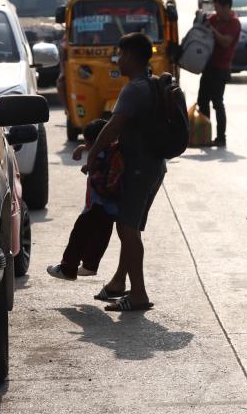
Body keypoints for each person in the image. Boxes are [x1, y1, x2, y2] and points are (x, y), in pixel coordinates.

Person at [85, 33, 166, 312]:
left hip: (139, 169)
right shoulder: (152, 85)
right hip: (153, 166)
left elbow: (112, 127)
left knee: (128, 230)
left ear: (131, 56)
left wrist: (93, 153)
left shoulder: (134, 88)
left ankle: (139, 295)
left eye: (120, 54)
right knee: (128, 227)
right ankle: (119, 283)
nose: (118, 59)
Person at [46, 118, 120, 281]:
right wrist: (82, 148)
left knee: (78, 237)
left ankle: (68, 268)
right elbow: (97, 149)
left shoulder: (101, 155)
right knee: (100, 238)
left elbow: (97, 156)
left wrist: (88, 163)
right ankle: (89, 266)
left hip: (95, 206)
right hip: (109, 208)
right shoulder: (111, 150)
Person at [196, 0, 241, 148]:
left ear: (227, 7)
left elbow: (225, 42)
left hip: (221, 68)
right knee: (202, 101)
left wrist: (212, 29)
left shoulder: (234, 23)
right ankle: (205, 135)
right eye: (214, 8)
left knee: (217, 102)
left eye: (218, 8)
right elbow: (201, 28)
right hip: (208, 66)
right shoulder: (214, 19)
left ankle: (221, 137)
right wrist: (200, 18)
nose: (216, 11)